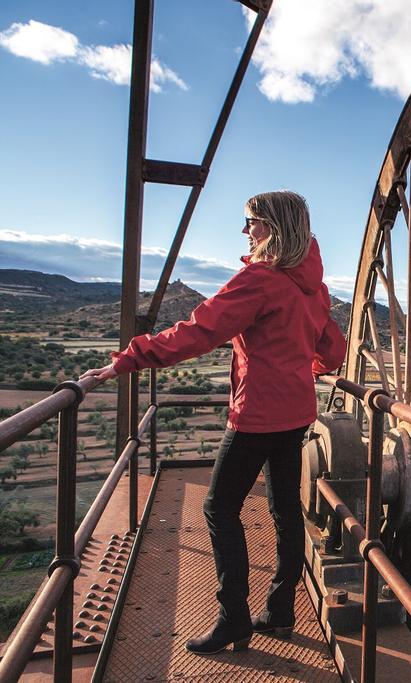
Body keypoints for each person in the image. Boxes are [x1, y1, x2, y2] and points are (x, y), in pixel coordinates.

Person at [83, 190, 346, 655]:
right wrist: (301, 370)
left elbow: (199, 331)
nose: (245, 231)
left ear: (274, 228)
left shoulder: (260, 280)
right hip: (296, 413)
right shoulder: (314, 286)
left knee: (218, 508)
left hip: (257, 415)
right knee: (285, 508)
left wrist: (126, 360)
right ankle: (280, 610)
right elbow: (332, 352)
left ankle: (233, 620)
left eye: (252, 222)